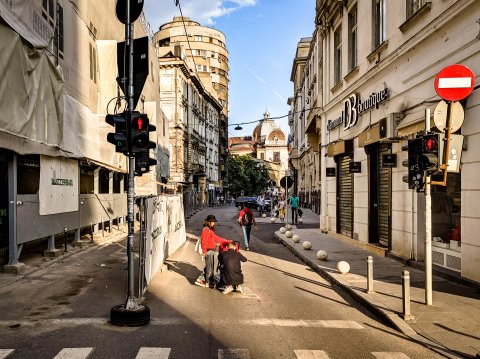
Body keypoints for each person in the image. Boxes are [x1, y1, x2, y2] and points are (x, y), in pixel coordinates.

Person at [195, 215, 230, 288]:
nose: (214, 223)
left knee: (210, 266)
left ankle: (202, 279)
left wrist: (226, 241)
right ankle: (207, 282)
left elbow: (216, 238)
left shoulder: (210, 230)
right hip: (207, 251)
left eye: (214, 222)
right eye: (213, 222)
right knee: (209, 268)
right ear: (209, 222)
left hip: (210, 251)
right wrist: (204, 252)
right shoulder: (206, 230)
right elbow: (204, 242)